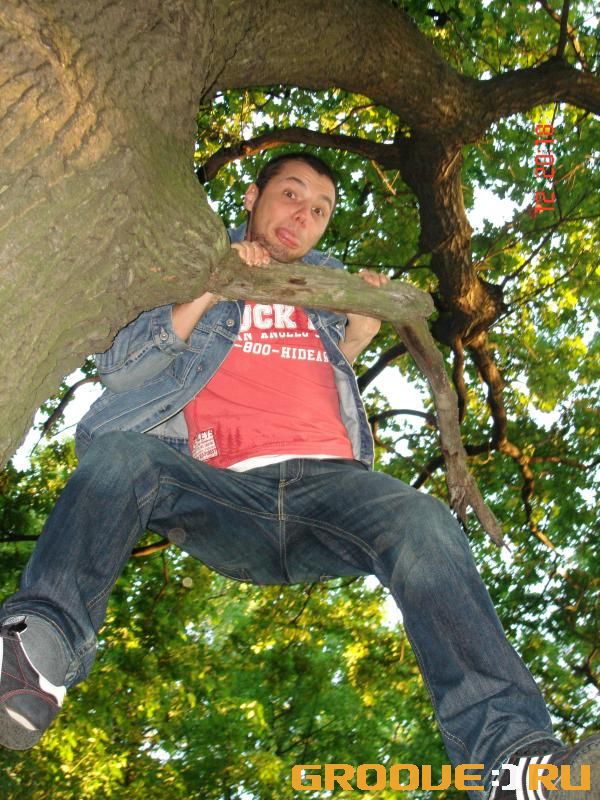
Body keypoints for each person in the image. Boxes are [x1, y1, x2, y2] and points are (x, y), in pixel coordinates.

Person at [0, 152, 597, 799]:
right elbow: (122, 368)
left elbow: (307, 376)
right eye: (291, 194)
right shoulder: (198, 263)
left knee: (421, 521)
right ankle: (37, 653)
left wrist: (360, 333)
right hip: (225, 493)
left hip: (330, 493)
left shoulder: (325, 287)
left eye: (320, 209)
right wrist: (214, 285)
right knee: (121, 456)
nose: (303, 215)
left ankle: (513, 763)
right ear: (252, 196)